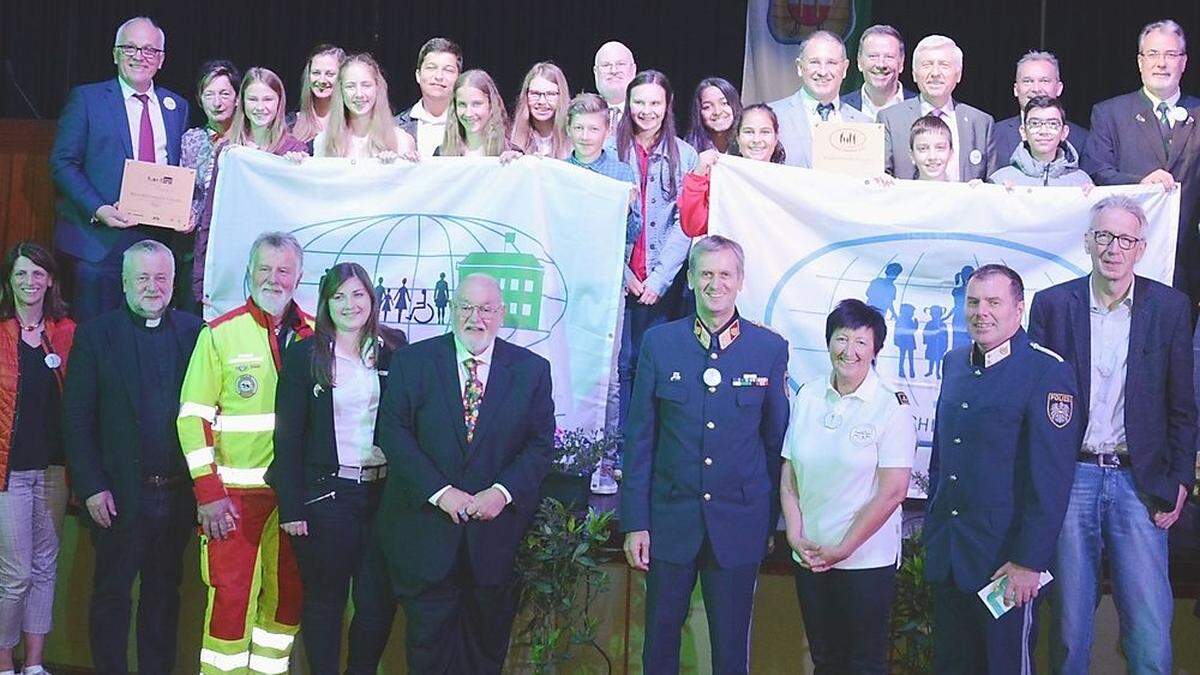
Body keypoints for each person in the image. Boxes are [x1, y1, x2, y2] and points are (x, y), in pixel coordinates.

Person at [1028, 196, 1196, 674]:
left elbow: (1183, 405)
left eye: (1125, 239)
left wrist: (1180, 481)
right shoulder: (1054, 306)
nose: (1113, 248)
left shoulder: (1170, 308)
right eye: (1104, 236)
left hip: (1139, 485)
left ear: (1141, 248)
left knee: (1149, 630)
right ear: (1088, 242)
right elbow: (1036, 408)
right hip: (1072, 480)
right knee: (1068, 629)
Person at [621, 235, 788, 674]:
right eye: (706, 274)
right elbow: (640, 439)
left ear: (741, 282)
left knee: (732, 651)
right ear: (691, 278)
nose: (716, 283)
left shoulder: (768, 349)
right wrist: (636, 522)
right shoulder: (660, 343)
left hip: (739, 524)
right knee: (658, 644)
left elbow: (774, 445)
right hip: (669, 523)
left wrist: (767, 522)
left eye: (725, 274)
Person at [375, 273, 555, 674]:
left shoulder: (531, 370)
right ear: (452, 309)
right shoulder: (413, 362)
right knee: (427, 657)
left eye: (487, 309)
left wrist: (502, 492)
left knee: (485, 657)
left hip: (494, 547)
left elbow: (541, 444)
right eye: (467, 308)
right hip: (427, 541)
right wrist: (441, 492)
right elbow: (394, 433)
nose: (477, 318)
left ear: (502, 313)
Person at [924, 264, 1080, 673]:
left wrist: (1029, 561)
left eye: (994, 302)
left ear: (1019, 309)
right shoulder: (954, 363)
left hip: (1005, 564)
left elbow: (1051, 481)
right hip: (951, 555)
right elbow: (944, 460)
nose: (981, 312)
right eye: (973, 302)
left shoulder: (1046, 371)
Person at [62, 239, 201, 675]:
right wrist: (91, 486)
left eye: (161, 277)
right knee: (112, 595)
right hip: (117, 496)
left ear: (174, 282)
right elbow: (77, 420)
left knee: (164, 596)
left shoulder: (196, 334)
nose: (152, 286)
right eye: (142, 277)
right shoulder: (96, 334)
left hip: (176, 496)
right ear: (124, 284)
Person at [177, 232, 314, 674]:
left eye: (284, 270)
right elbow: (191, 418)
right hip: (233, 500)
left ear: (299, 277)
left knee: (285, 605)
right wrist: (209, 493)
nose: (274, 279)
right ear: (250, 272)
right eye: (265, 269)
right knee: (230, 605)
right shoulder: (220, 334)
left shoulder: (316, 335)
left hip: (295, 500)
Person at [268, 262, 406, 674]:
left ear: (372, 299)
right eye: (339, 296)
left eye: (358, 294)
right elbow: (288, 436)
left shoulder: (396, 349)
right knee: (325, 601)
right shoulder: (305, 355)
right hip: (327, 496)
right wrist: (292, 507)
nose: (350, 304)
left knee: (377, 601)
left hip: (382, 497)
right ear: (326, 303)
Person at [781, 299, 916, 674]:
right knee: (825, 659)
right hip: (810, 556)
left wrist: (843, 548)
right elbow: (789, 471)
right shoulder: (808, 394)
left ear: (875, 349)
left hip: (864, 561)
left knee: (863, 663)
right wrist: (794, 534)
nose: (849, 351)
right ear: (828, 343)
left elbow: (894, 490)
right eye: (842, 339)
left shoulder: (891, 405)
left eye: (860, 342)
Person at [49, 16, 190, 322]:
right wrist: (98, 207)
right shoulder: (87, 99)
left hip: (158, 242)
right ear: (115, 54)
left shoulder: (176, 106)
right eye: (130, 48)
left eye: (150, 50)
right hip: (100, 242)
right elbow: (62, 163)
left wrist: (184, 210)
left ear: (161, 60)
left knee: (149, 334)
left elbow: (180, 169)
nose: (140, 56)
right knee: (97, 337)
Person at [1082, 19, 1200, 304]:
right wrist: (1141, 184)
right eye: (1153, 54)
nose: (1161, 63)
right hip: (1124, 262)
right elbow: (1096, 171)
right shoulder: (1110, 113)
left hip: (1185, 263)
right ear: (1140, 61)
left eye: (1170, 55)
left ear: (1183, 62)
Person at [0, 243, 75, 675]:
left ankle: (34, 665)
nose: (30, 282)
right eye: (21, 274)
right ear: (10, 280)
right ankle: (4, 661)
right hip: (9, 473)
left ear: (50, 280)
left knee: (46, 569)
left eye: (38, 274)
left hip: (53, 469)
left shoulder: (66, 331)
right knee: (17, 575)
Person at [612, 69, 698, 427]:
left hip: (663, 284)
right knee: (620, 366)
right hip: (618, 278)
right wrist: (624, 272)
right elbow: (597, 219)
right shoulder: (609, 150)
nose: (646, 111)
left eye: (655, 103)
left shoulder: (686, 154)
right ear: (628, 104)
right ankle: (615, 448)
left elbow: (687, 223)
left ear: (667, 106)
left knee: (655, 365)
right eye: (639, 102)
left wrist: (659, 278)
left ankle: (646, 446)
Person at [192, 68, 309, 308]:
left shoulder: (295, 149)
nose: (260, 106)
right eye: (253, 99)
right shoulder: (228, 151)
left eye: (268, 99)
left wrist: (299, 168)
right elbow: (210, 218)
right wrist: (201, 279)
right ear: (241, 102)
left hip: (277, 269)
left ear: (279, 102)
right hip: (235, 261)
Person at [563, 92, 641, 433]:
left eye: (593, 128)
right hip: (566, 278)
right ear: (568, 129)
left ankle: (606, 457)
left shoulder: (621, 173)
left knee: (607, 373)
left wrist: (626, 207)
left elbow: (633, 232)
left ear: (607, 131)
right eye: (578, 127)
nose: (585, 135)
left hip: (608, 284)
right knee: (564, 361)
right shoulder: (558, 172)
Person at [878, 34, 995, 182]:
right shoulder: (890, 119)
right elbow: (880, 179)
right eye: (927, 65)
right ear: (914, 74)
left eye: (944, 65)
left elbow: (993, 183)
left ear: (958, 74)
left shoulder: (980, 122)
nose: (935, 73)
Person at [178, 60, 241, 314]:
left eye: (225, 93)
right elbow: (185, 192)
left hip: (235, 244)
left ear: (238, 98)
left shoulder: (248, 140)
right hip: (196, 245)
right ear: (199, 99)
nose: (217, 102)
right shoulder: (191, 139)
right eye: (210, 94)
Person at [680, 103, 787, 237]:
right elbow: (693, 227)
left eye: (765, 132)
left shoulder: (787, 183)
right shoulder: (720, 179)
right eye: (748, 132)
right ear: (738, 137)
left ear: (776, 137)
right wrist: (698, 176)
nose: (756, 139)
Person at [768, 30, 871, 168]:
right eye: (814, 62)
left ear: (845, 68)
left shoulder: (865, 125)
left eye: (831, 63)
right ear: (800, 67)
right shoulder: (773, 116)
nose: (823, 71)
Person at [993, 51, 1089, 169]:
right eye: (1028, 81)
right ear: (1016, 89)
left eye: (1044, 81)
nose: (1036, 89)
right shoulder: (994, 135)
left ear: (1059, 88)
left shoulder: (1082, 139)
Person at [315, 53, 416, 160]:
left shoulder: (402, 141)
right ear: (340, 90)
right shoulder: (323, 141)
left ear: (377, 87)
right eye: (350, 86)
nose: (359, 94)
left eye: (366, 85)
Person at [989, 96, 1092, 187]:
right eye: (1035, 123)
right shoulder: (1000, 180)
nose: (1043, 131)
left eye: (1052, 124)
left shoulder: (1081, 182)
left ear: (1064, 132)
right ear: (1023, 132)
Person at [395, 38, 463, 158]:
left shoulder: (471, 125)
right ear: (418, 75)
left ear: (459, 78)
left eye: (448, 70)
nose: (439, 76)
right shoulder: (395, 127)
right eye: (431, 68)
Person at [840, 24, 917, 120]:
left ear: (901, 63)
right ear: (859, 62)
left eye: (889, 57)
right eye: (873, 56)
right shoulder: (840, 109)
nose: (881, 64)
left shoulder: (921, 109)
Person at [438, 69, 516, 158]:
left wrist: (517, 164)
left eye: (476, 104)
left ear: (491, 106)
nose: (468, 113)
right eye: (462, 104)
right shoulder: (441, 154)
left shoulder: (511, 153)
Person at [510, 62, 572, 158]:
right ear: (526, 96)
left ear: (561, 96)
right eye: (535, 93)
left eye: (550, 94)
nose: (542, 101)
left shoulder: (575, 137)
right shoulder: (511, 137)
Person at [290, 44, 345, 144]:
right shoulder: (290, 123)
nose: (322, 80)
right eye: (316, 73)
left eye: (329, 74)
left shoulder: (354, 124)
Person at [684, 77, 742, 154]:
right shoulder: (688, 149)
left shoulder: (747, 143)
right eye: (707, 107)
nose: (717, 112)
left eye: (724, 103)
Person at [593, 40, 637, 134]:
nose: (613, 70)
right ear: (596, 72)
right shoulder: (582, 115)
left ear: (633, 70)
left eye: (621, 64)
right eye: (606, 65)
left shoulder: (645, 114)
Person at [910, 114, 955, 181]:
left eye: (940, 148)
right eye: (923, 149)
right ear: (912, 155)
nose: (932, 157)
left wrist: (975, 189)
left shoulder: (965, 190)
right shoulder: (897, 190)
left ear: (951, 153)